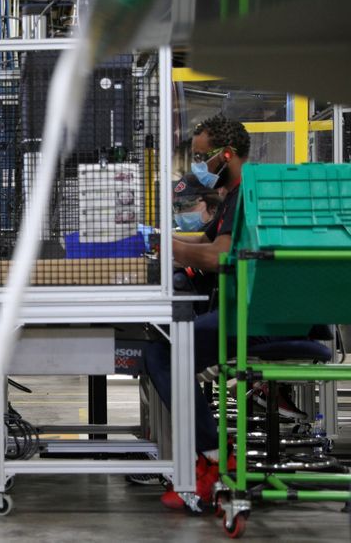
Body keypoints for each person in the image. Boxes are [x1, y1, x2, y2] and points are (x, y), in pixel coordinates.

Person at [144, 114, 254, 510]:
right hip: (237, 312)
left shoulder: (245, 196)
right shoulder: (232, 197)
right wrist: (158, 237)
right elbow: (201, 240)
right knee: (163, 345)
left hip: (252, 320)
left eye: (204, 159)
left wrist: (173, 248)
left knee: (162, 352)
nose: (200, 169)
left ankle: (212, 457)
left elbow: (218, 255)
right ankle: (206, 454)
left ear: (226, 155)